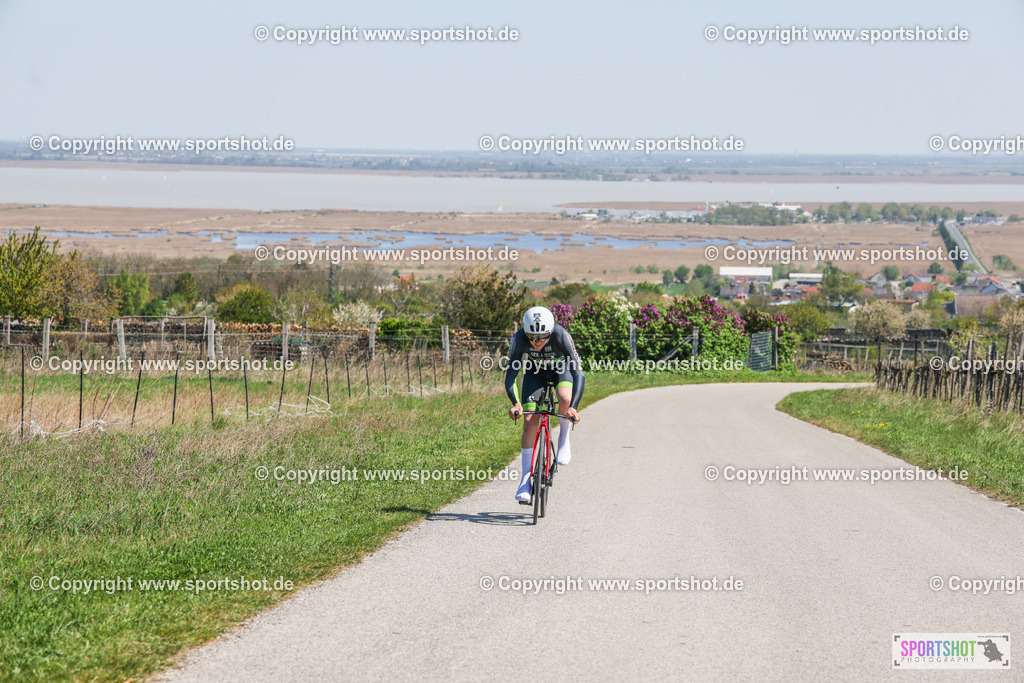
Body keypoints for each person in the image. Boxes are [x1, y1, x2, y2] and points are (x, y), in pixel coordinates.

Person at [505, 306, 585, 502]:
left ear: (550, 332)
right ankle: (525, 480)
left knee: (564, 399)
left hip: (561, 369)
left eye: (542, 337)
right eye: (532, 337)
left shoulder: (561, 335)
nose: (537, 342)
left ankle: (564, 437)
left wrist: (573, 406)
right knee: (531, 419)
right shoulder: (518, 339)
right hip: (535, 372)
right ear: (525, 331)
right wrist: (516, 404)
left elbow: (578, 373)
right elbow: (511, 376)